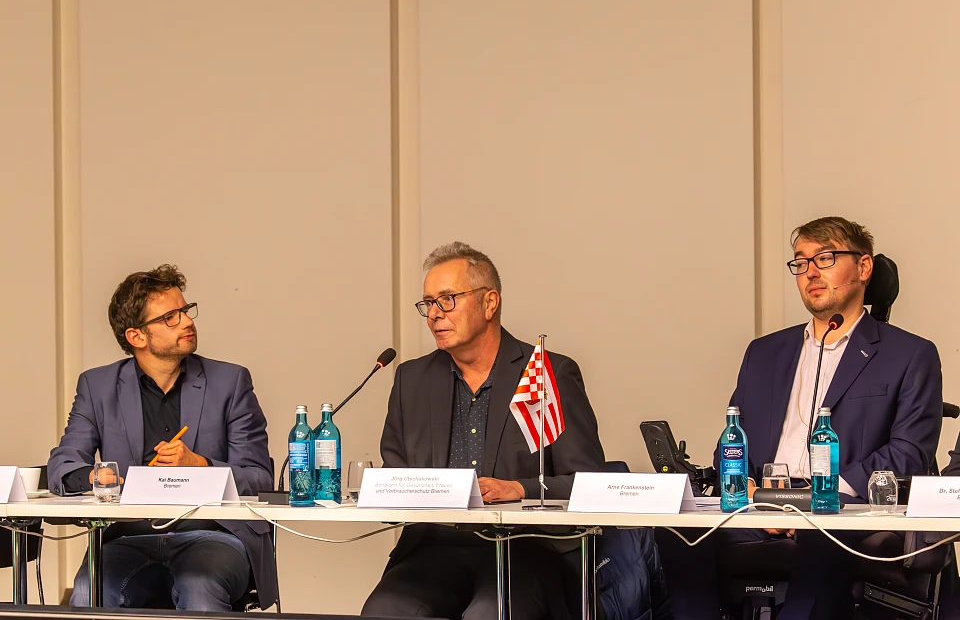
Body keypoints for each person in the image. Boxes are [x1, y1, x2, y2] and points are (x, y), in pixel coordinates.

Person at [660, 216, 943, 619]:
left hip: (844, 510)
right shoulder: (764, 352)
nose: (810, 272)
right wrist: (748, 490)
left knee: (823, 538)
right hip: (759, 502)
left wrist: (822, 496)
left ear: (864, 268)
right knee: (674, 529)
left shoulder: (910, 354)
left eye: (824, 258)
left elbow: (909, 454)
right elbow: (730, 442)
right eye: (800, 262)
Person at [362, 242, 608, 619]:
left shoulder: (546, 373)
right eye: (428, 303)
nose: (433, 315)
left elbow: (590, 483)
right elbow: (394, 479)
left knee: (491, 614)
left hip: (525, 551)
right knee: (385, 610)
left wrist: (520, 488)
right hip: (434, 548)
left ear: (489, 303)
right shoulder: (411, 380)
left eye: (447, 300)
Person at [48, 265, 277, 611]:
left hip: (215, 535)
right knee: (87, 591)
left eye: (185, 311)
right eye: (170, 317)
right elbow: (62, 466)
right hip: (129, 536)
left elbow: (260, 477)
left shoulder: (230, 382)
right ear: (136, 337)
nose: (187, 322)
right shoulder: (97, 387)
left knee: (198, 584)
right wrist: (96, 477)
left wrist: (199, 465)